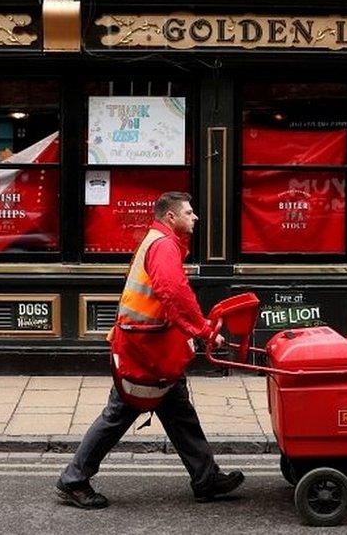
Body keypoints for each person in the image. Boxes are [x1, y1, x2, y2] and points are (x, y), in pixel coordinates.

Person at [56, 191, 244, 508]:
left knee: (179, 412)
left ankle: (206, 477)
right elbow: (174, 294)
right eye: (189, 212)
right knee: (119, 413)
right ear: (171, 217)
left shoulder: (159, 241)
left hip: (152, 347)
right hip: (144, 352)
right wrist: (205, 330)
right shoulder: (163, 246)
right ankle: (74, 479)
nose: (195, 217)